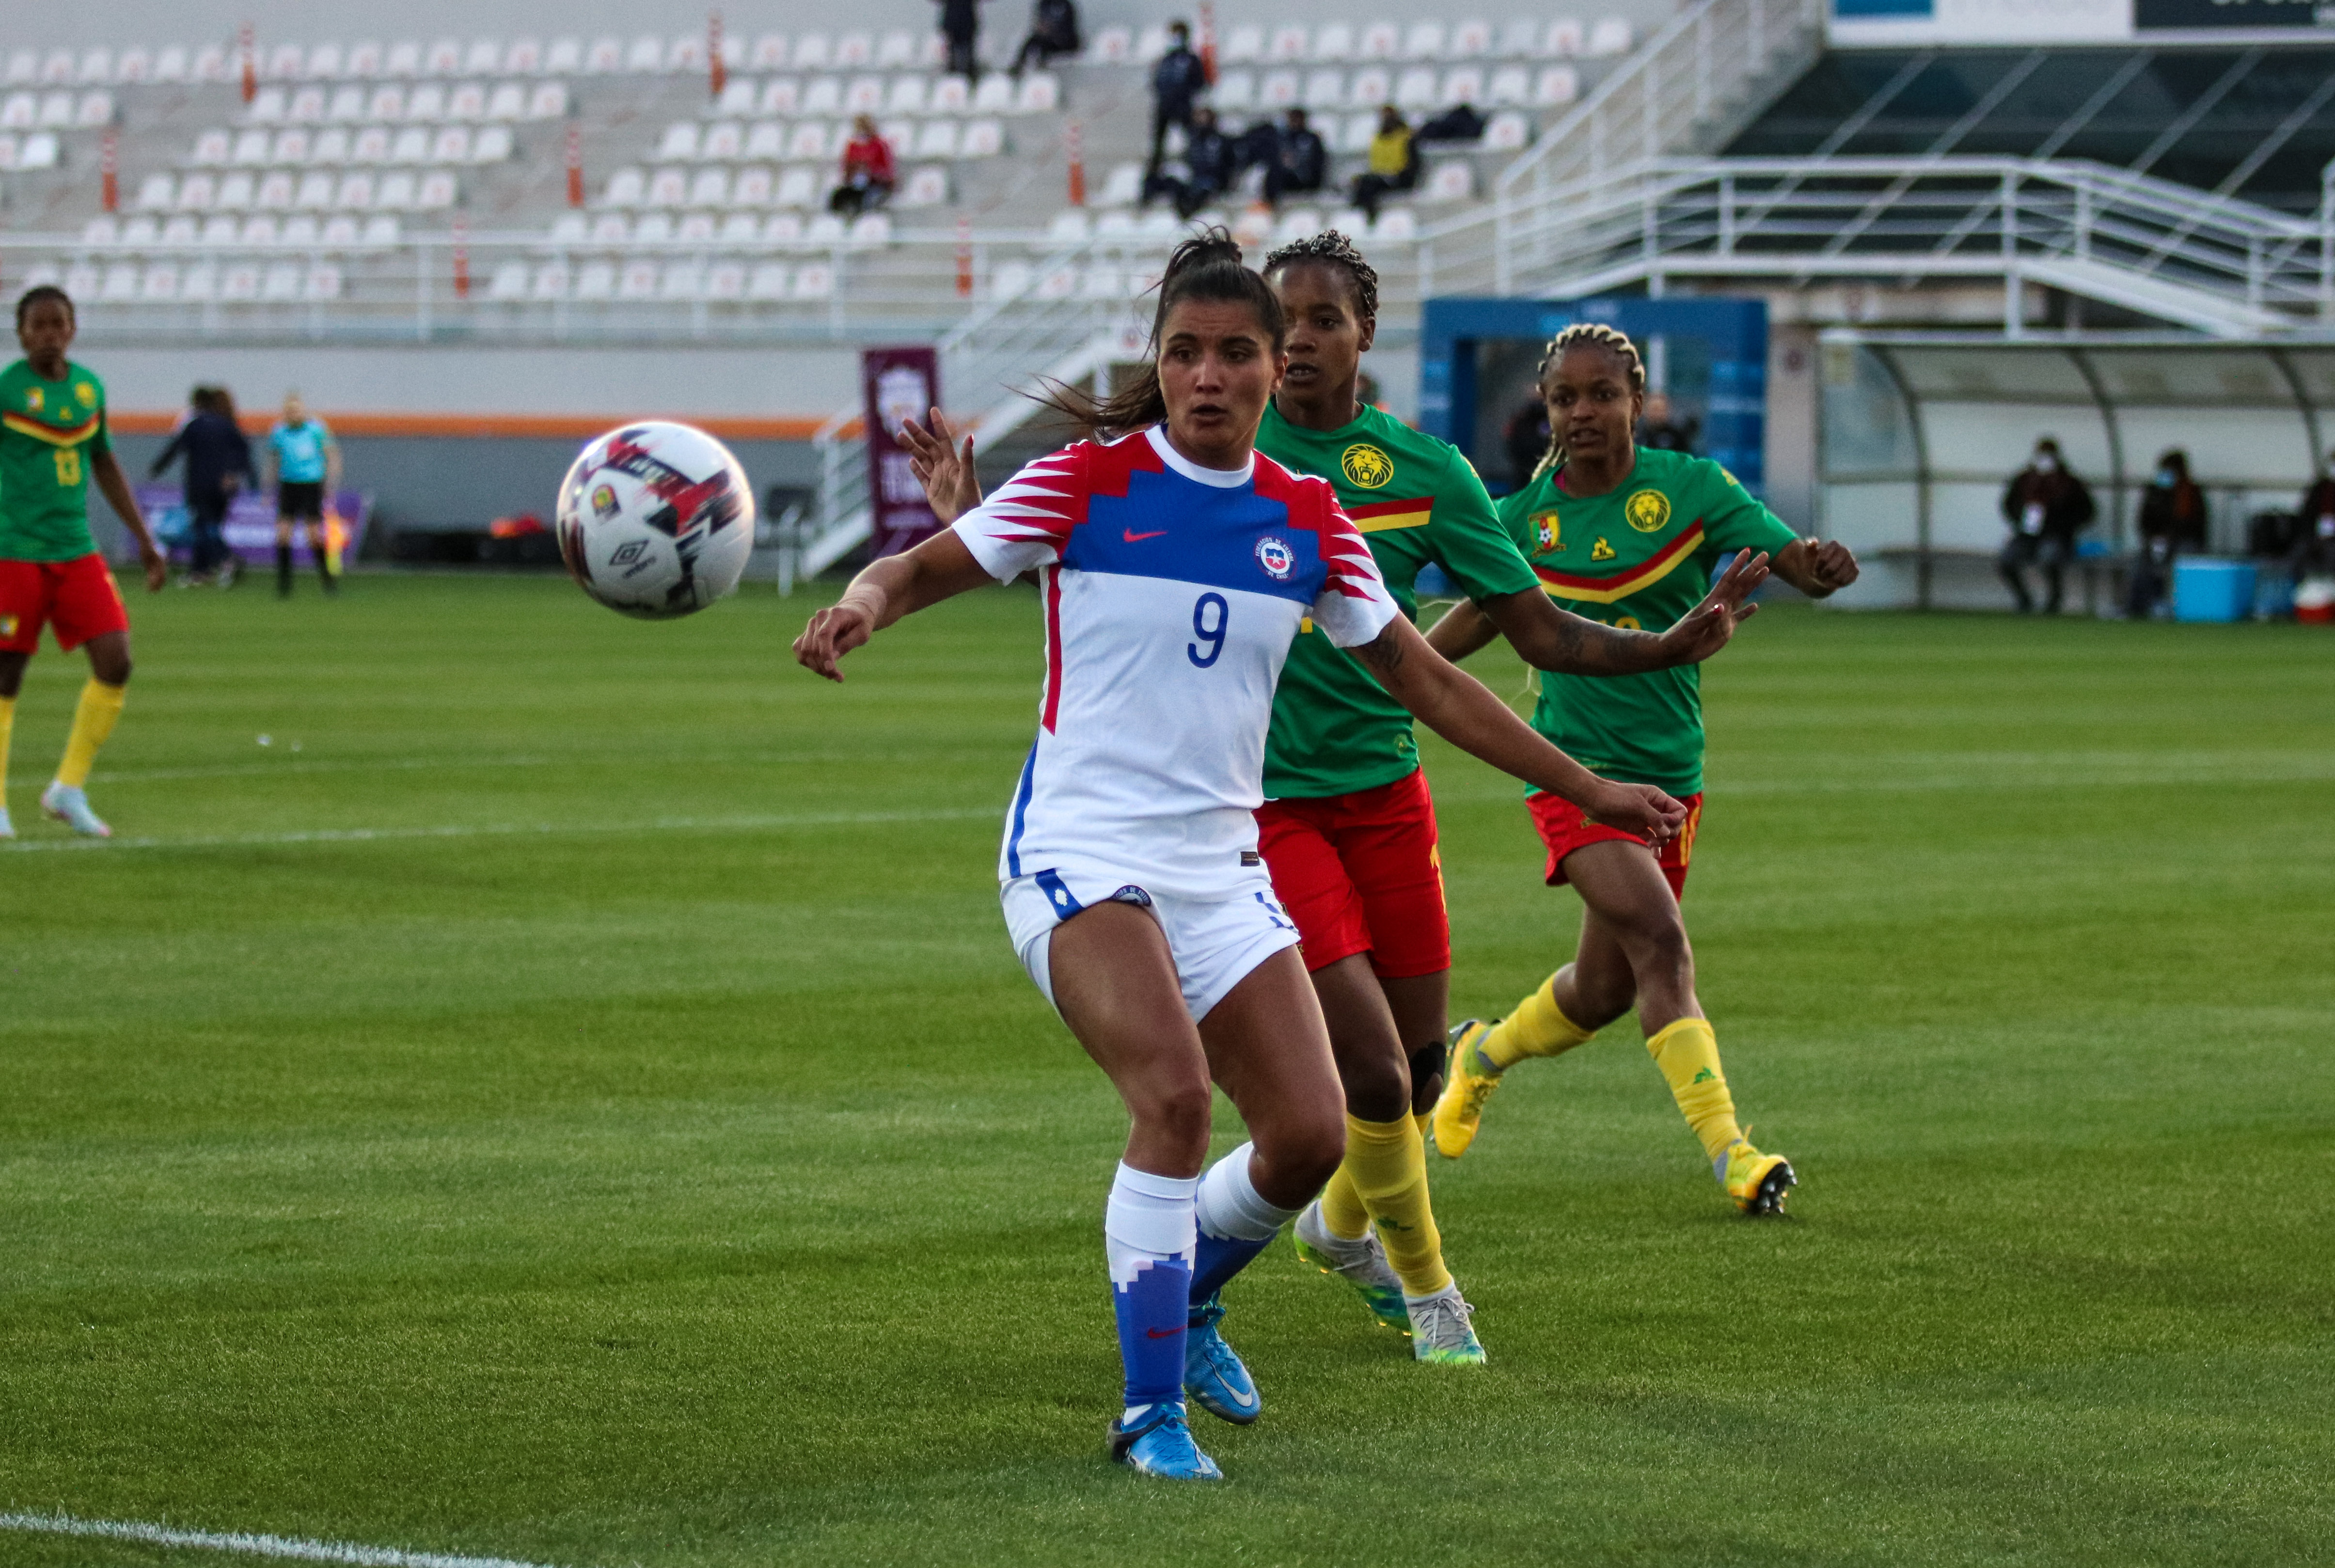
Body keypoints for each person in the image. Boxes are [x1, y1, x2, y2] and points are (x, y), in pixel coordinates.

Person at [815, 233, 1683, 1481]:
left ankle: (1192, 1295)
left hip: (1220, 865)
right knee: (1171, 1098)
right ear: (1157, 366)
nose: (1207, 375)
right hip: (1079, 850)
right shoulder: (1086, 480)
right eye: (1183, 352)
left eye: (1234, 352)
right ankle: (1147, 1411)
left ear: (1281, 368)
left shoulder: (1311, 517)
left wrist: (1588, 782)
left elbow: (1432, 684)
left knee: (1310, 1135)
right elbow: (919, 565)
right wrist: (860, 604)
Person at [1428, 323, 1862, 1217]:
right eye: (1562, 398)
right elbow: (1445, 646)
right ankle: (1733, 1156)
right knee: (1663, 943)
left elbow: (1797, 567)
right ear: (1542, 408)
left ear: (1637, 399)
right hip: (1571, 771)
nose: (1581, 412)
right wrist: (1379, 679)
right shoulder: (1516, 522)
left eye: (1600, 394)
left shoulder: (1693, 489)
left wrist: (1820, 566)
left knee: (1601, 991)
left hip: (1672, 777)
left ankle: (1478, 1053)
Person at [0, 285, 168, 840]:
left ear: (73, 329)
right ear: (20, 333)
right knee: (6, 674)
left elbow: (105, 464)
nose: (48, 335)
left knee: (116, 660)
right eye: (37, 326)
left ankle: (67, 789)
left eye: (58, 324)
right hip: (15, 551)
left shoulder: (89, 389)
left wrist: (143, 538)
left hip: (75, 549)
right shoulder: (7, 391)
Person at [147, 384, 253, 586]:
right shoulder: (228, 425)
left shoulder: (195, 426)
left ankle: (227, 558)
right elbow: (244, 452)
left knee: (204, 527)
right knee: (210, 526)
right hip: (224, 487)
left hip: (200, 484)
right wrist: (235, 474)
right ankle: (200, 571)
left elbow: (175, 449)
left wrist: (156, 468)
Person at [1997, 438, 2094, 614]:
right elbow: (2009, 504)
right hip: (2027, 535)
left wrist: (2064, 525)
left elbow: (2087, 511)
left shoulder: (2070, 483)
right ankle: (2024, 600)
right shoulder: (2024, 480)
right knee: (2006, 560)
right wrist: (2020, 520)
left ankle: (2054, 600)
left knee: (2048, 558)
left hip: (2056, 536)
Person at [264, 391, 341, 596]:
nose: (293, 415)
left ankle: (327, 580)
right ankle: (284, 584)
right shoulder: (279, 432)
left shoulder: (316, 430)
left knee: (314, 536)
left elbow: (332, 456)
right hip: (288, 486)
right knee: (283, 535)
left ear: (303, 411)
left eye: (296, 410)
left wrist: (329, 483)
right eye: (289, 411)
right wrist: (267, 489)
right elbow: (273, 460)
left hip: (311, 485)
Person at [2128, 448, 2208, 620]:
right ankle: (2142, 606)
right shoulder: (2154, 492)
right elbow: (2144, 520)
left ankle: (2177, 605)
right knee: (2142, 564)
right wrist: (2153, 539)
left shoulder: (2191, 493)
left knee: (2182, 559)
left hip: (2183, 541)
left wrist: (2170, 538)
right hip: (2156, 542)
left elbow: (2196, 525)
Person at [1143, 107, 1231, 220]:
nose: (1201, 122)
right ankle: (1146, 207)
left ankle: (1189, 212)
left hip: (1209, 182)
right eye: (1199, 119)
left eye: (1204, 119)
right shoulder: (1193, 140)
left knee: (1202, 191)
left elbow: (1224, 166)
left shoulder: (1220, 142)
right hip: (1194, 181)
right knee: (1170, 183)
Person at [1147, 21, 1208, 177]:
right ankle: (1154, 172)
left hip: (1183, 106)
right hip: (1164, 106)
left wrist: (1185, 95)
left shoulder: (1191, 59)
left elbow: (1199, 83)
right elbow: (1157, 82)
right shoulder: (1165, 59)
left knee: (1192, 140)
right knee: (1158, 143)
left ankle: (1196, 169)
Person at [1348, 106, 1419, 222]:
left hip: (1398, 178)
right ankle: (1357, 218)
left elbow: (1412, 166)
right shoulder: (1377, 138)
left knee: (1368, 186)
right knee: (1363, 183)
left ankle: (1367, 218)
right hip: (1379, 176)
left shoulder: (1406, 138)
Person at [829, 116, 897, 218]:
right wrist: (854, 171)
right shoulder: (852, 146)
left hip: (875, 184)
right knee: (838, 196)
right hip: (855, 183)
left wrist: (870, 171)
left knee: (867, 198)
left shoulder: (880, 145)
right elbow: (845, 169)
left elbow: (888, 171)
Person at [1262, 109, 1326, 208]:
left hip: (1304, 178)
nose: (1294, 122)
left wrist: (1297, 164)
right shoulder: (1283, 138)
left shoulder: (1312, 139)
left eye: (1297, 119)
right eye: (1292, 119)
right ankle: (1269, 203)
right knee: (1274, 173)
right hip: (1286, 176)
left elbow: (1317, 163)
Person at [1009, 0, 1079, 77]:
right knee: (1033, 41)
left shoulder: (1065, 5)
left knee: (1045, 44)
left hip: (1066, 40)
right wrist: (1042, 29)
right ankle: (1018, 70)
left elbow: (1068, 26)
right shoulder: (1044, 4)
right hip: (1049, 40)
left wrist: (1052, 30)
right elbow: (1039, 22)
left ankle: (1043, 70)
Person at [2294, 451, 2335, 579]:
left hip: (2332, 541)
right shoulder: (2321, 488)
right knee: (2298, 554)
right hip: (2314, 537)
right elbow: (2306, 514)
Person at [1503, 396, 1550, 486]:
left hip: (1549, 474)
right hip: (1523, 474)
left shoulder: (1553, 419)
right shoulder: (1521, 420)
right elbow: (1511, 443)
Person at [1636, 390, 1699, 454]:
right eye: (1654, 409)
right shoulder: (1637, 435)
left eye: (1660, 410)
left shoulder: (1676, 436)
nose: (1657, 414)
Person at [936, 0, 985, 80]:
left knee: (967, 54)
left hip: (966, 21)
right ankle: (954, 78)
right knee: (952, 55)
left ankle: (967, 77)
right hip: (955, 21)